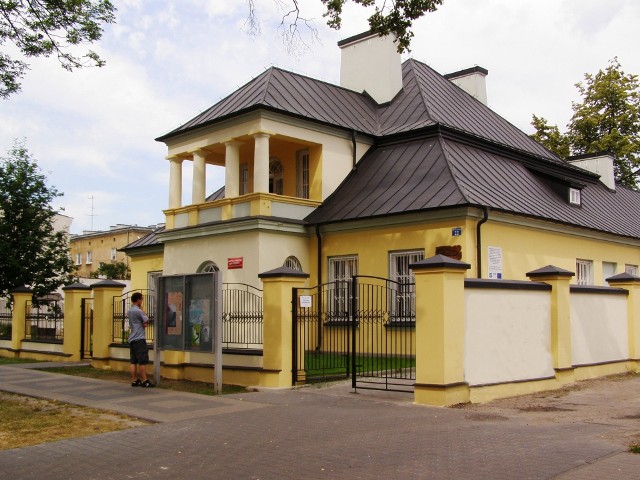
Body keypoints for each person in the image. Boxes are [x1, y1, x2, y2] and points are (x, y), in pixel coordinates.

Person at [128, 292, 154, 387]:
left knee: (133, 361)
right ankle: (144, 380)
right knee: (142, 360)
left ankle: (134, 380)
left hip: (132, 338)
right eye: (141, 299)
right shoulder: (138, 311)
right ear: (138, 299)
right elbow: (146, 321)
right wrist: (143, 310)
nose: (142, 301)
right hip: (139, 338)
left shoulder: (130, 310)